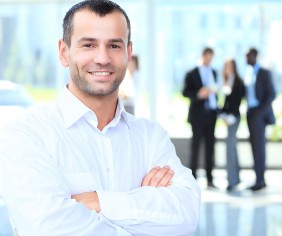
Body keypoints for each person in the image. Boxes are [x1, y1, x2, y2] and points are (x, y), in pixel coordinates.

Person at [0, 1, 200, 235]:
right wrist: (143, 211)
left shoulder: (151, 136)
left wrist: (98, 202)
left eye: (114, 45)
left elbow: (187, 215)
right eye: (89, 45)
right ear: (64, 53)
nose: (102, 58)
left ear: (128, 53)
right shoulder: (26, 134)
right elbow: (48, 228)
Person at [182, 47, 218, 187]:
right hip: (197, 115)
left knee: (210, 147)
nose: (209, 60)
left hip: (211, 114)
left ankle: (210, 178)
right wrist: (198, 94)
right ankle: (193, 178)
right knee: (196, 146)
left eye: (211, 58)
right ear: (203, 56)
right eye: (208, 57)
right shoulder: (192, 73)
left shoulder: (214, 72)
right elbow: (185, 92)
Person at [244, 48, 276, 191]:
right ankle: (258, 178)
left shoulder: (264, 72)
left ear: (255, 56)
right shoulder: (248, 73)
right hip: (250, 113)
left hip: (259, 114)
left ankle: (260, 180)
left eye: (248, 56)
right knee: (254, 146)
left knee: (259, 147)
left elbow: (272, 94)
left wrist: (260, 112)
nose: (246, 59)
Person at [219, 59, 245, 191]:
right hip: (228, 118)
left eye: (230, 66)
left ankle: (231, 180)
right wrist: (221, 113)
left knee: (229, 147)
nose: (228, 68)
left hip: (234, 118)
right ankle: (237, 178)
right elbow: (226, 103)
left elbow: (236, 103)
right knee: (232, 147)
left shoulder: (238, 82)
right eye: (226, 66)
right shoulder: (227, 81)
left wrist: (229, 116)